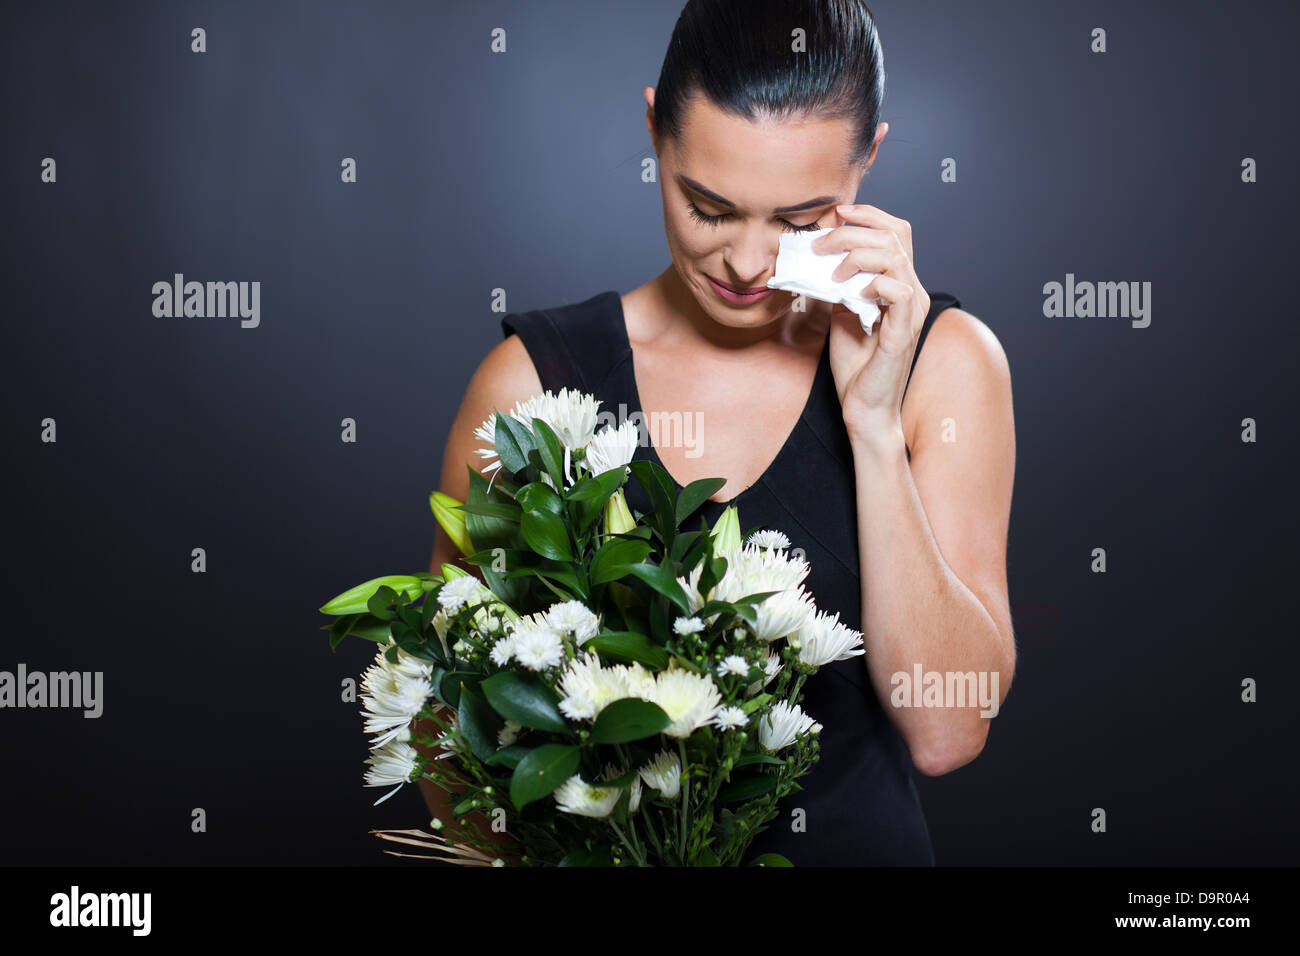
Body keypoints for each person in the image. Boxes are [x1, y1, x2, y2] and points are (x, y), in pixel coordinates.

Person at [417, 0, 1016, 865]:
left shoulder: (944, 366)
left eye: (800, 220)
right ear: (656, 130)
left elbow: (947, 732)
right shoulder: (529, 385)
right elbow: (451, 723)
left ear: (868, 162)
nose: (745, 263)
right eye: (709, 206)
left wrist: (875, 428)